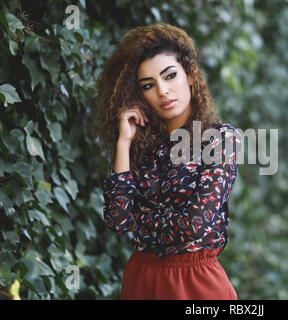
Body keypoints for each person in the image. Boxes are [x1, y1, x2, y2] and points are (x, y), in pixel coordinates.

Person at [95, 23, 241, 300]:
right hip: (141, 278)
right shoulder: (142, 145)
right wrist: (124, 143)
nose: (163, 91)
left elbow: (194, 225)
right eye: (148, 85)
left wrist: (142, 222)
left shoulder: (220, 138)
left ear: (190, 75)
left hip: (195, 280)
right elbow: (118, 220)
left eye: (170, 75)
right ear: (140, 95)